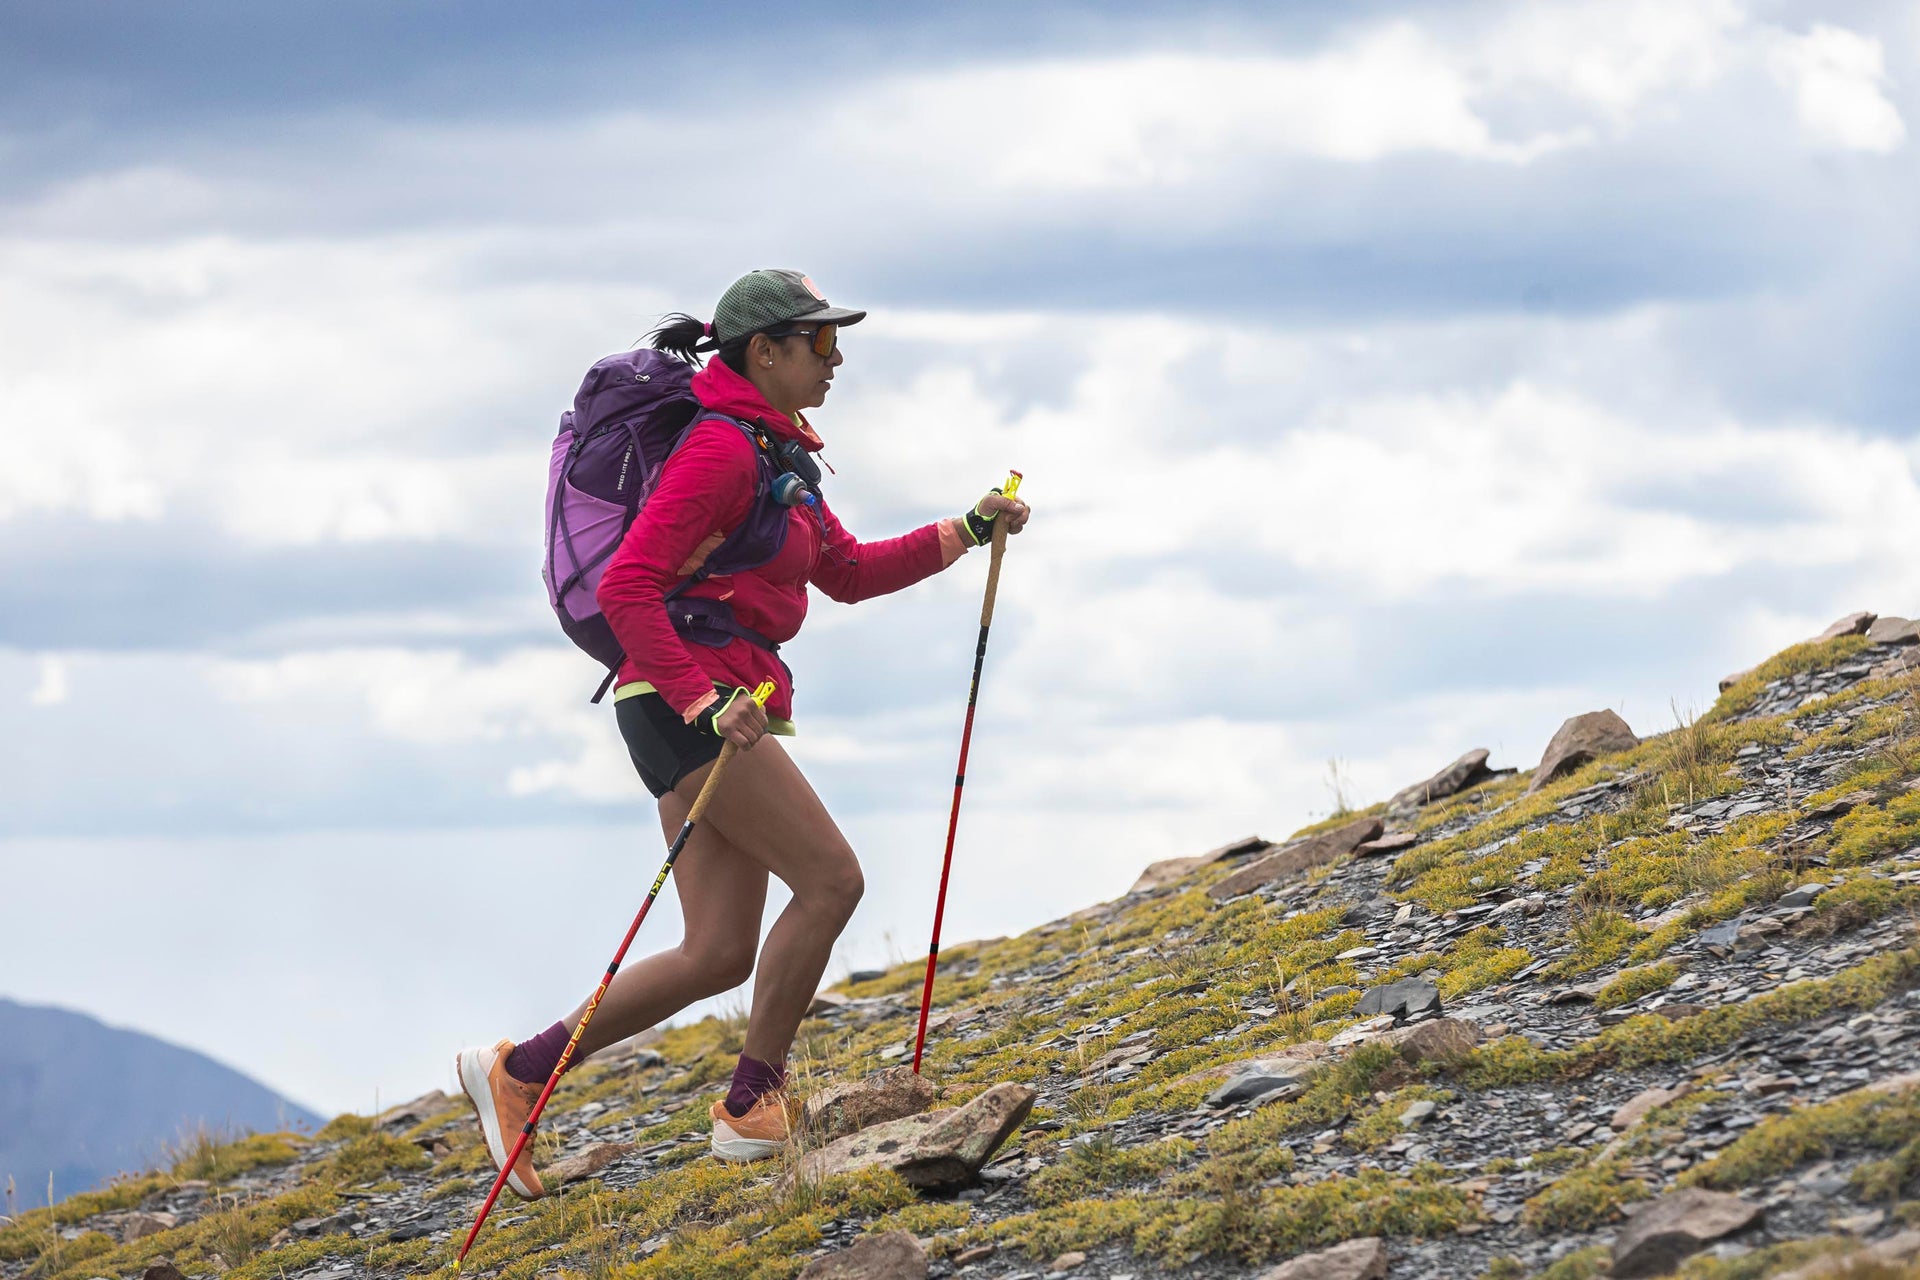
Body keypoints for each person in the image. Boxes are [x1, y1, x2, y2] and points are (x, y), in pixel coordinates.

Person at [455, 269, 1029, 1197]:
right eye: (822, 342)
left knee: (717, 949)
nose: (837, 361)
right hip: (694, 695)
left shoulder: (778, 452)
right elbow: (627, 584)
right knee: (834, 879)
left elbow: (845, 571)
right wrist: (699, 702)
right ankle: (751, 1106)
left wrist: (966, 529)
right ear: (764, 351)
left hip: (710, 695)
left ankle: (519, 1071)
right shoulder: (723, 450)